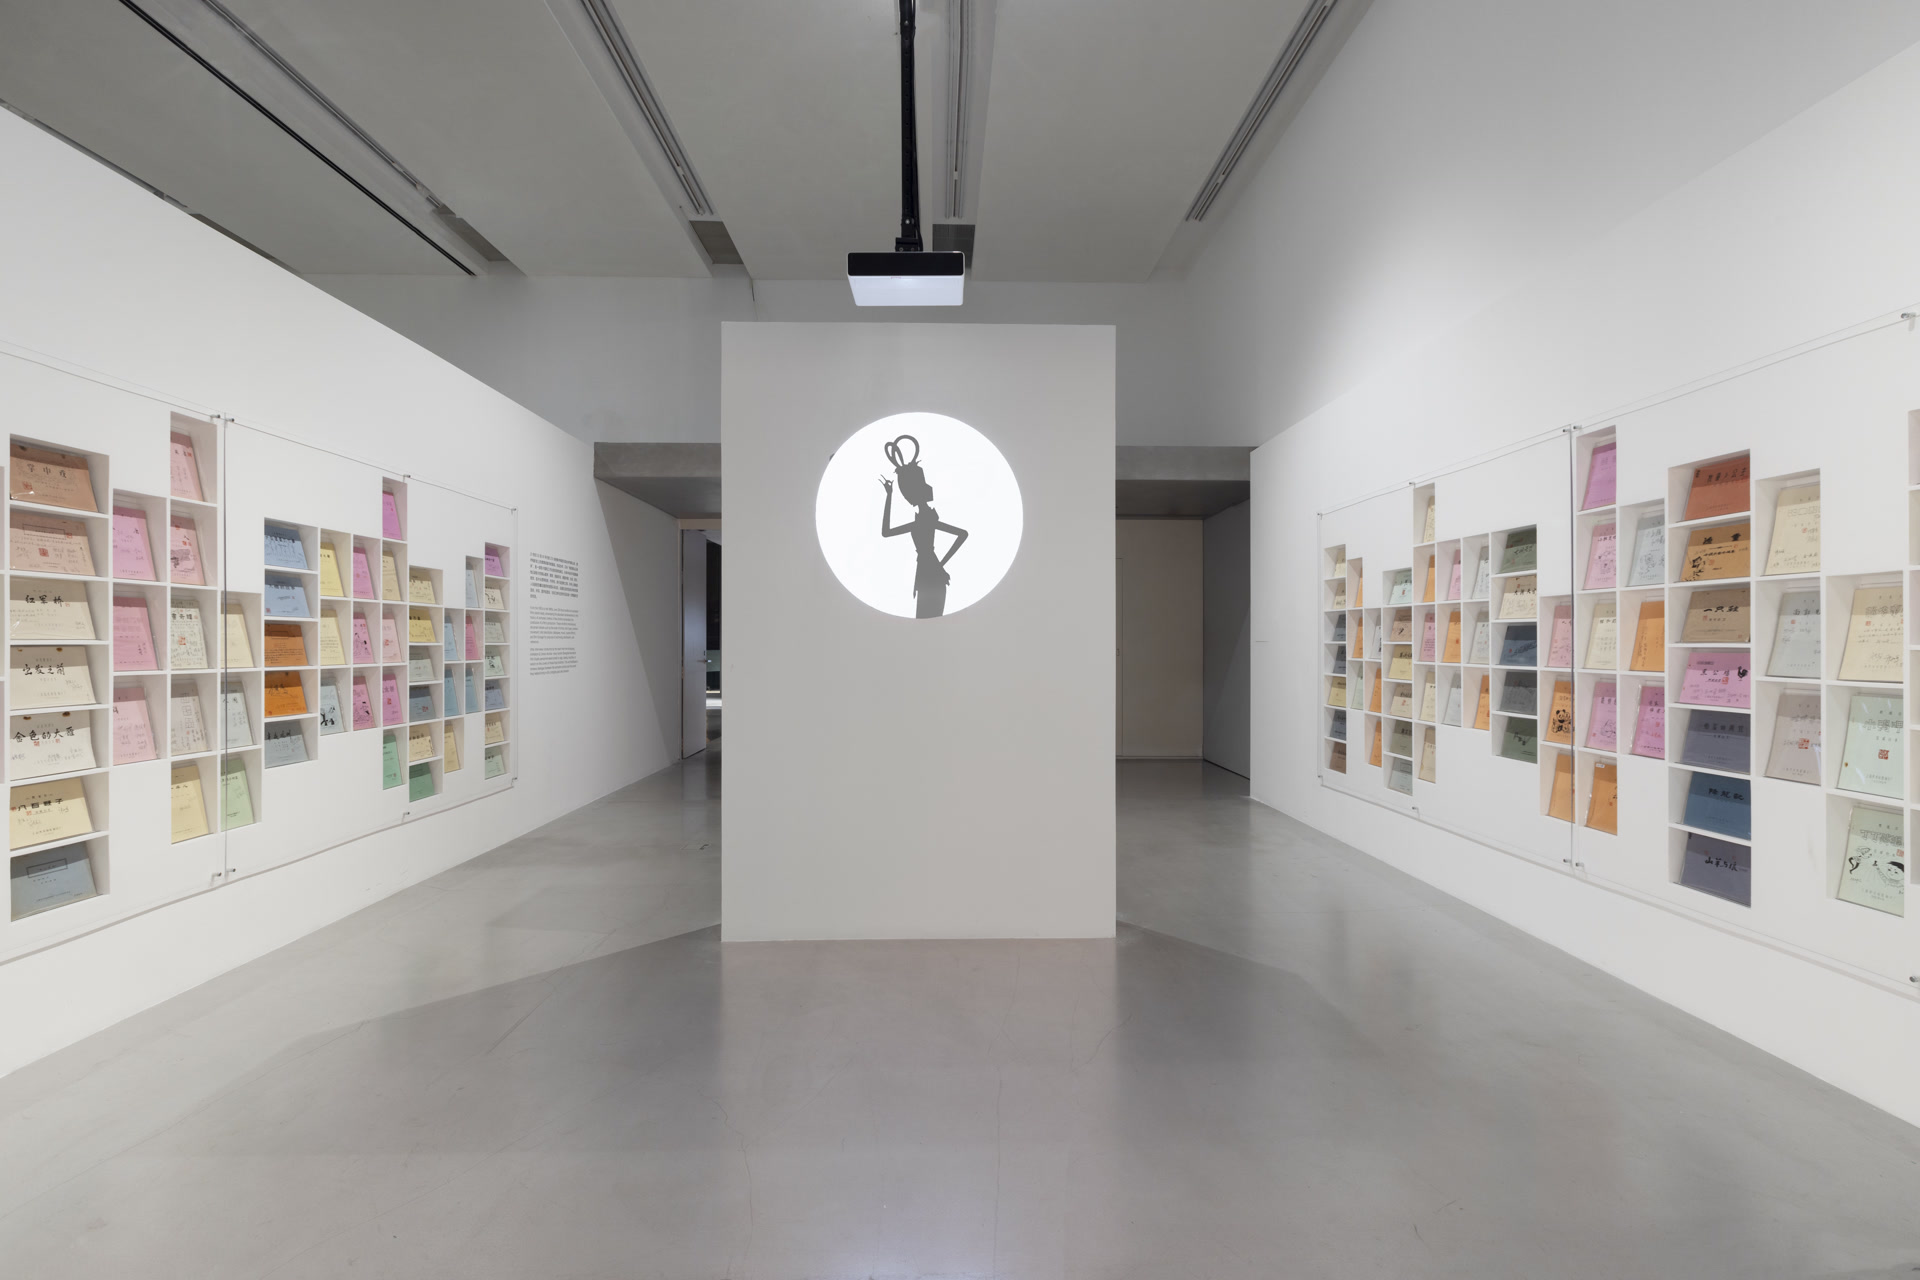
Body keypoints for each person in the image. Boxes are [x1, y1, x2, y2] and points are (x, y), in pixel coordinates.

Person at [879, 434, 968, 618]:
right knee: (927, 620)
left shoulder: (926, 520)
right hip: (927, 573)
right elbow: (886, 533)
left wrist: (940, 564)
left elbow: (963, 534)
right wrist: (889, 494)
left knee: (928, 619)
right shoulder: (921, 521)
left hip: (931, 574)